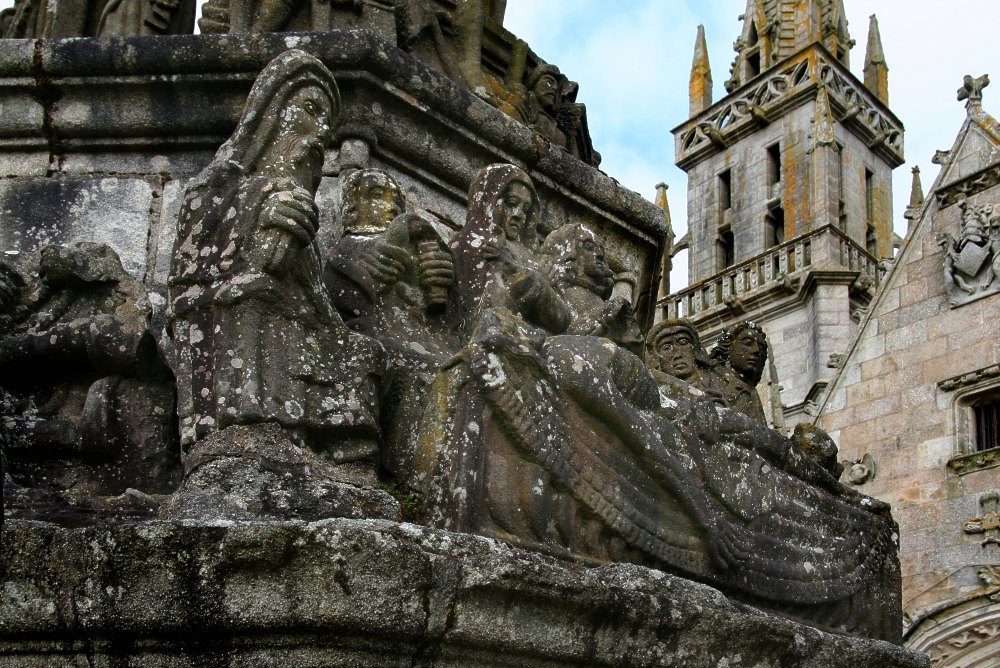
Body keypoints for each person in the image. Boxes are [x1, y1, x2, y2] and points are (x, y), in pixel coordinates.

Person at [168, 49, 382, 462]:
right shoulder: (213, 189)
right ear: (270, 113)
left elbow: (316, 298)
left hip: (297, 320)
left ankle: (341, 458)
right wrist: (261, 212)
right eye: (310, 110)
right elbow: (191, 279)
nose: (320, 133)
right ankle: (251, 434)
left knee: (362, 352)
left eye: (327, 124)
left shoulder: (300, 207)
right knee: (253, 296)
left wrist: (331, 326)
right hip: (237, 315)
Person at [712, 320, 768, 425]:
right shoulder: (712, 382)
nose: (756, 350)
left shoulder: (752, 391)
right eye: (747, 343)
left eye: (760, 347)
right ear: (728, 347)